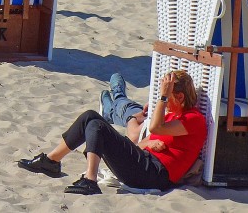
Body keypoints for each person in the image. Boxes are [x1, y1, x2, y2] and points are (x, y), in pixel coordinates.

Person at [17, 70, 206, 195]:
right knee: (91, 117)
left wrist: (163, 98)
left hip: (154, 175)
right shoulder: (173, 116)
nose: (162, 100)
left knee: (98, 126)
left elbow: (156, 128)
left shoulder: (194, 119)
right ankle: (51, 161)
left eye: (166, 96)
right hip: (144, 163)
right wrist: (147, 143)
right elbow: (140, 143)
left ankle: (89, 179)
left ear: (180, 97)